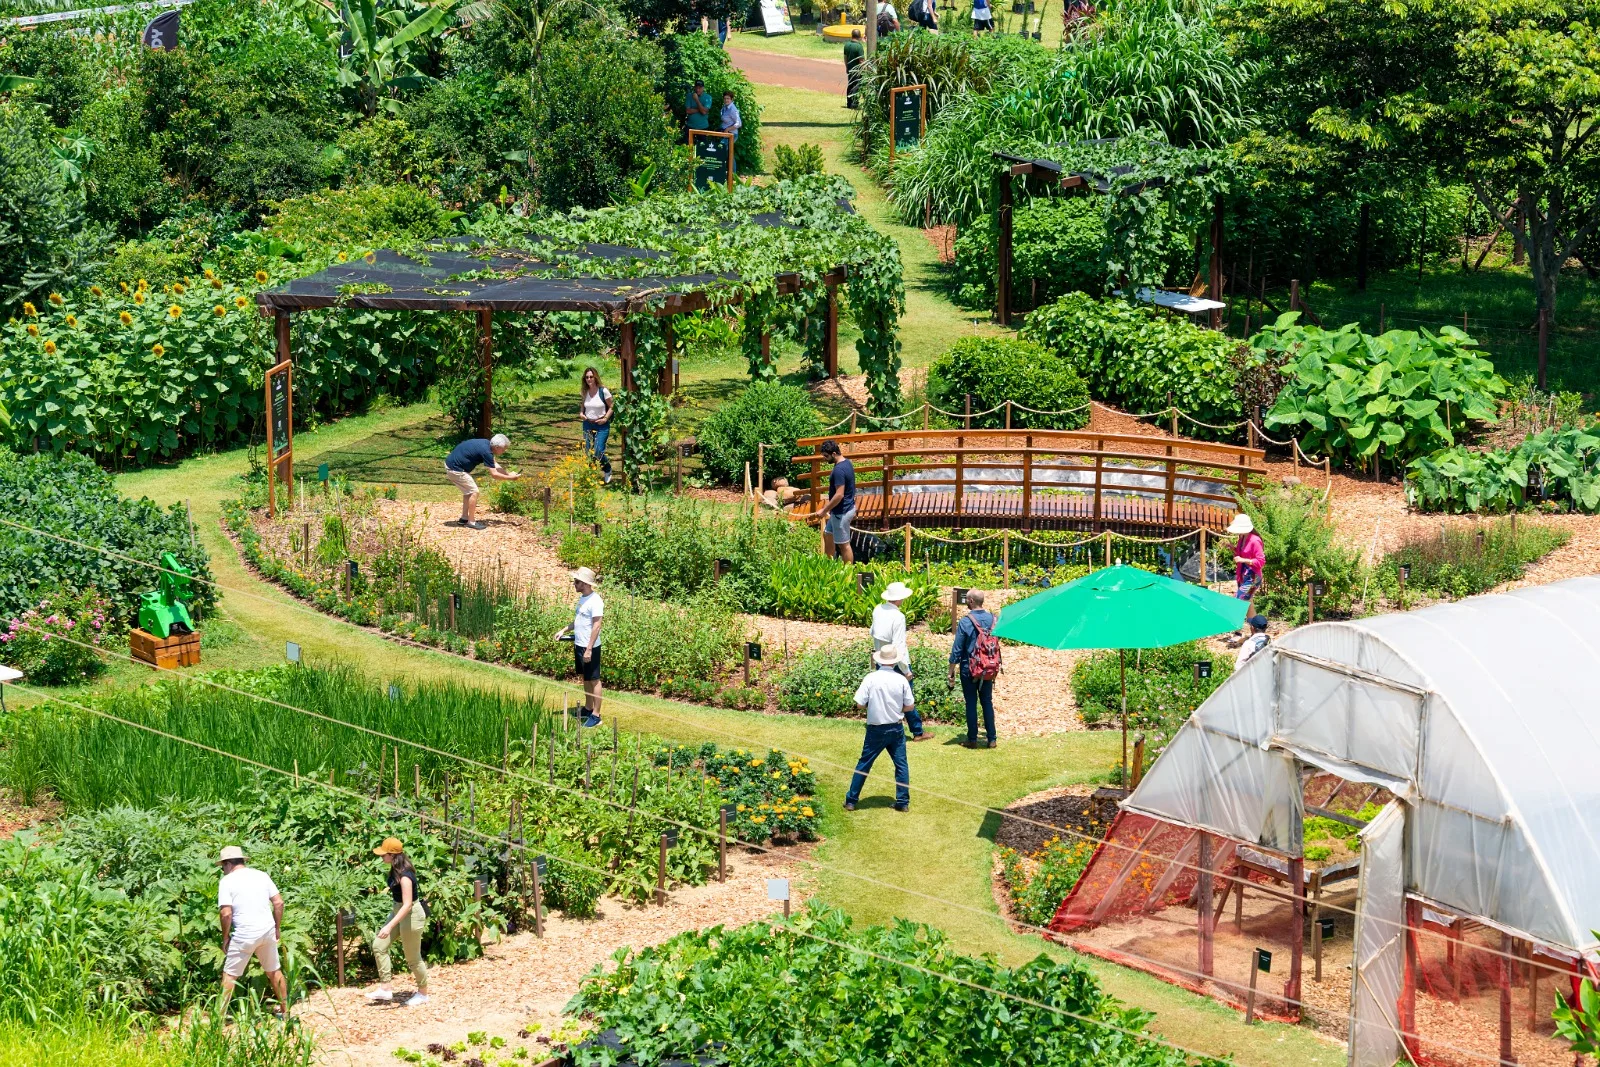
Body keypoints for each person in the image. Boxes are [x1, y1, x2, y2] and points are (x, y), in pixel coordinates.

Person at [216, 845, 288, 1015]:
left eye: (222, 867)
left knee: (230, 975)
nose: (222, 871)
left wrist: (225, 938)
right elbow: (279, 903)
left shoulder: (226, 881)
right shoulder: (261, 876)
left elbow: (226, 913)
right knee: (273, 971)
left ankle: (218, 1018)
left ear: (227, 864)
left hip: (244, 934)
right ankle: (286, 1012)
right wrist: (277, 928)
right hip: (267, 931)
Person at [844, 648, 915, 812]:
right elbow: (910, 706)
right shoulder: (901, 680)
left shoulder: (871, 678)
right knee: (901, 765)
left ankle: (851, 800)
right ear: (895, 661)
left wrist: (872, 706)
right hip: (896, 728)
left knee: (864, 764)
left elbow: (859, 703)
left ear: (879, 660)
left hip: (876, 729)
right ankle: (903, 802)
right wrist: (897, 710)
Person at [365, 838, 430, 1008]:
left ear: (392, 855)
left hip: (411, 915)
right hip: (398, 910)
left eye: (383, 854)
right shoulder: (395, 870)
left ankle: (423, 994)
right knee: (379, 945)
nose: (381, 857)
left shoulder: (405, 876)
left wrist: (389, 925)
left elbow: (408, 904)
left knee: (413, 959)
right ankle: (386, 988)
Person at [871, 582, 932, 741]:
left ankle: (882, 727)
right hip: (896, 661)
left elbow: (873, 633)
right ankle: (917, 732)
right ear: (899, 599)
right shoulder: (898, 616)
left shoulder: (878, 609)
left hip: (881, 658)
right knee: (907, 697)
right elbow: (899, 645)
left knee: (883, 694)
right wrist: (906, 670)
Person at [948, 589, 999, 749]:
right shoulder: (993, 619)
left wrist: (951, 670)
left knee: (971, 703)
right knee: (987, 702)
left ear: (970, 601)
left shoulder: (965, 621)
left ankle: (972, 739)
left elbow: (957, 648)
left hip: (969, 668)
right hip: (988, 668)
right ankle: (992, 739)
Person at [555, 567, 604, 727]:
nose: (573, 584)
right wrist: (564, 630)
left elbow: (596, 626)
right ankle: (588, 708)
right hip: (580, 645)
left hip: (590, 647)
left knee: (595, 680)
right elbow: (578, 620)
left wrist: (589, 648)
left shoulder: (596, 601)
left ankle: (596, 715)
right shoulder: (583, 598)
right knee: (585, 678)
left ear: (584, 583)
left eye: (576, 582)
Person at [444, 434, 520, 529]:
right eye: (503, 449)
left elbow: (495, 465)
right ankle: (471, 522)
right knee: (474, 492)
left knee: (468, 492)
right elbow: (494, 474)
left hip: (452, 466)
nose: (504, 451)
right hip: (455, 469)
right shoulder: (487, 452)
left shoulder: (487, 444)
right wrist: (511, 478)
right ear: (497, 447)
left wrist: (508, 474)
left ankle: (464, 518)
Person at [819, 439, 855, 563]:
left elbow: (839, 495)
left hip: (842, 512)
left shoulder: (839, 470)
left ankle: (848, 574)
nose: (824, 459)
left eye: (826, 456)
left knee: (844, 545)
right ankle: (829, 564)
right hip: (840, 511)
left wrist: (824, 510)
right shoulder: (847, 463)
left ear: (834, 454)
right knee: (827, 534)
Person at [579, 368, 614, 483]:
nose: (589, 379)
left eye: (591, 377)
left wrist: (605, 418)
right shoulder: (585, 391)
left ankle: (607, 469)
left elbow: (612, 406)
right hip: (588, 423)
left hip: (601, 424)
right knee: (588, 450)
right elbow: (583, 405)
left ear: (595, 377)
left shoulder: (603, 391)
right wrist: (581, 413)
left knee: (598, 450)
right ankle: (590, 475)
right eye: (587, 377)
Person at [1229, 513, 1265, 616]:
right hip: (1243, 575)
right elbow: (1242, 554)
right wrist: (1233, 548)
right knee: (1248, 604)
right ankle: (1255, 628)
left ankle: (1237, 629)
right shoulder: (1242, 537)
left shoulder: (1255, 540)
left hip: (1252, 577)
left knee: (1238, 599)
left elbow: (1260, 561)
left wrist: (1243, 560)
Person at [720, 91, 742, 174]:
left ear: (732, 99)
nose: (726, 100)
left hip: (732, 134)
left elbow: (739, 123)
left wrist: (728, 129)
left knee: (726, 152)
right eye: (725, 98)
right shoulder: (725, 107)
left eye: (728, 98)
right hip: (725, 134)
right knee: (727, 152)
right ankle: (729, 173)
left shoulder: (733, 109)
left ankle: (732, 174)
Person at [843, 29, 865, 110]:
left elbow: (845, 58)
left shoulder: (847, 45)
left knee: (850, 85)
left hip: (850, 69)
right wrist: (864, 70)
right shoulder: (859, 47)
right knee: (857, 86)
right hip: (857, 70)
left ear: (852, 35)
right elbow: (861, 61)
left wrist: (846, 67)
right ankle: (854, 103)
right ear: (859, 36)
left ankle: (849, 103)